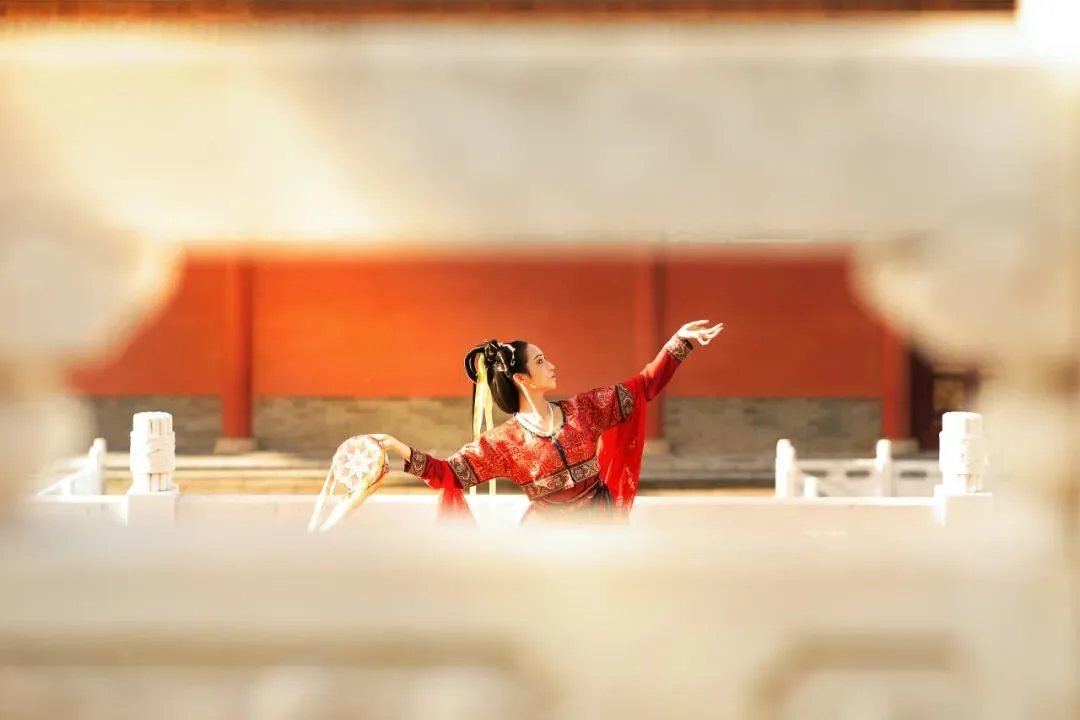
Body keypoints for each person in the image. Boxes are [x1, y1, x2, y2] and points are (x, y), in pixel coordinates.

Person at [372, 319, 723, 524]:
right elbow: (449, 474)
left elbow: (643, 386)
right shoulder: (503, 443)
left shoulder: (584, 410)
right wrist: (398, 448)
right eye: (540, 361)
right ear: (521, 378)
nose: (551, 365)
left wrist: (678, 343)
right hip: (547, 546)